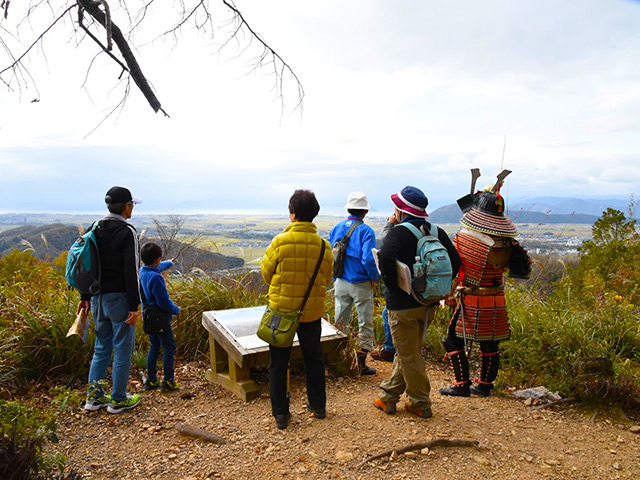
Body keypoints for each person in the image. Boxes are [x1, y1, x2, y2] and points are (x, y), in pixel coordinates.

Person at [440, 173, 531, 397]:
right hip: (496, 297)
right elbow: (521, 269)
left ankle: (461, 385)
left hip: (472, 296)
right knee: (490, 343)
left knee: (452, 338)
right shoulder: (509, 242)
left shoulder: (465, 239)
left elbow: (455, 267)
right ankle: (484, 386)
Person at [374, 186, 461, 419]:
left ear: (402, 210)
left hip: (402, 307)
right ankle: (389, 396)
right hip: (429, 303)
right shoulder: (437, 231)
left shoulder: (398, 233)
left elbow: (385, 258)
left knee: (410, 354)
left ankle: (420, 401)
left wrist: (393, 288)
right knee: (408, 350)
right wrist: (442, 288)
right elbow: (456, 262)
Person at [261, 189, 333, 430]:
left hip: (282, 311)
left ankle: (281, 414)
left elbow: (266, 274)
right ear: (314, 214)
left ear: (292, 214)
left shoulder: (280, 241)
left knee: (278, 362)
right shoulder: (324, 246)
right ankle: (318, 406)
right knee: (314, 358)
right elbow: (327, 276)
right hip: (311, 312)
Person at [79, 186, 142, 414]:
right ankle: (117, 399)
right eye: (132, 204)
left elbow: (86, 266)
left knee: (101, 348)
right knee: (123, 349)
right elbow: (131, 271)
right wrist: (134, 306)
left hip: (96, 299)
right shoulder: (127, 232)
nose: (132, 208)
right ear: (126, 206)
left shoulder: (94, 228)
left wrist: (85, 297)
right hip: (120, 300)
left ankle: (93, 398)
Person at [329, 192, 380, 375]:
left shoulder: (337, 228)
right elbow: (368, 259)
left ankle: (337, 360)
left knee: (339, 322)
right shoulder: (366, 231)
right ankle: (360, 363)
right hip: (361, 283)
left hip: (341, 280)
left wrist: (335, 279)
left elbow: (333, 256)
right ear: (365, 211)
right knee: (364, 323)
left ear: (348, 209)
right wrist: (374, 277)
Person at [139, 242, 181, 392]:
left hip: (148, 318)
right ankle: (168, 380)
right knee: (169, 346)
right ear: (157, 259)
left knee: (154, 346)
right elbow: (163, 302)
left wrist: (169, 263)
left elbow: (157, 267)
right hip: (160, 319)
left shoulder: (142, 271)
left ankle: (151, 380)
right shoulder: (156, 278)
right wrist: (176, 310)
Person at [370, 213, 398, 362]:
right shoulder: (424, 229)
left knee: (388, 313)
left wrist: (389, 223)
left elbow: (386, 240)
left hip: (400, 288)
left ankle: (390, 349)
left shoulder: (401, 232)